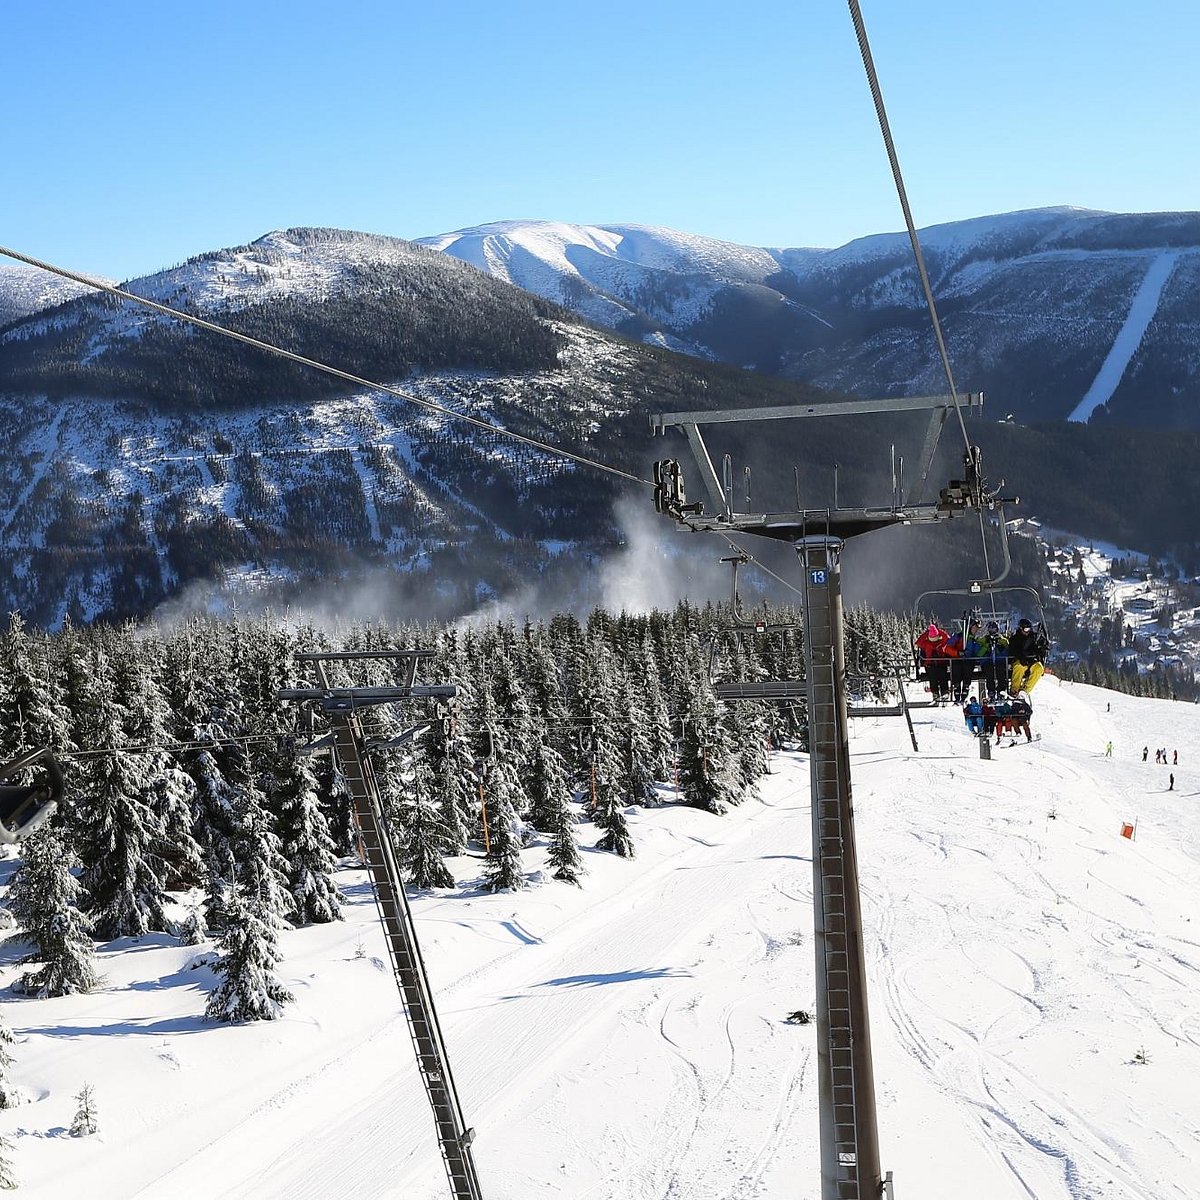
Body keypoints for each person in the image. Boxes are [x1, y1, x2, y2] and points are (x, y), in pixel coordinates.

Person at [915, 621, 953, 703]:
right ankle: (935, 692)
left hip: (941, 663)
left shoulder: (941, 643)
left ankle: (944, 691)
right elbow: (918, 643)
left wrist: (939, 631)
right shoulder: (927, 644)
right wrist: (927, 633)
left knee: (943, 676)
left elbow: (948, 639)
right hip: (930, 665)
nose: (933, 641)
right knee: (933, 677)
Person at [947, 619, 983, 703]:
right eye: (975, 628)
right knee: (957, 667)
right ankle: (957, 687)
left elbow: (977, 653)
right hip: (957, 660)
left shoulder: (973, 640)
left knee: (968, 667)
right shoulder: (959, 637)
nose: (976, 630)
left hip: (968, 662)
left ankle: (965, 688)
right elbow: (947, 648)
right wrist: (957, 653)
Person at [1008, 618, 1047, 694]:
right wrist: (1021, 656)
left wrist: (1041, 649)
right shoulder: (1014, 639)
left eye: (1029, 629)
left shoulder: (1033, 638)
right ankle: (1014, 690)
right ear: (1021, 629)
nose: (1028, 631)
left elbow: (1035, 649)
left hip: (1031, 660)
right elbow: (1013, 651)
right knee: (1019, 667)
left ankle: (1025, 690)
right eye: (1026, 629)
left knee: (1039, 668)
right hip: (1019, 660)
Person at [977, 621, 1009, 700]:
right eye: (991, 629)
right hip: (987, 662)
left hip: (999, 661)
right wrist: (986, 646)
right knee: (989, 672)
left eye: (994, 629)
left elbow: (1007, 652)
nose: (992, 632)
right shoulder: (983, 640)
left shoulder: (1003, 640)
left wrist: (1000, 647)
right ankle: (991, 691)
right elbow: (979, 654)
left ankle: (1001, 691)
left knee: (1000, 671)